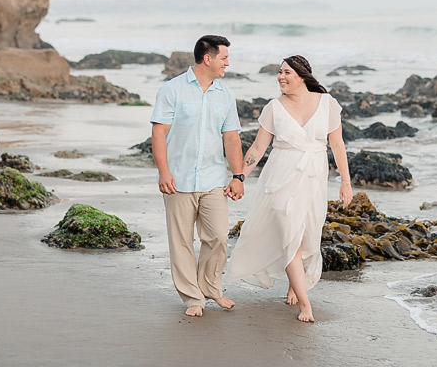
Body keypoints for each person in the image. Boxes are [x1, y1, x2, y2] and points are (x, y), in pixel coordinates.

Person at [227, 55, 352, 323]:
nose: (281, 77)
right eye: (279, 72)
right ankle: (306, 304)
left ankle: (292, 283)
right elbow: (258, 148)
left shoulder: (327, 105)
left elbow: (338, 145)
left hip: (314, 179)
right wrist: (239, 177)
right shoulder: (274, 108)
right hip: (281, 178)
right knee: (291, 239)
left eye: (287, 73)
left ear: (302, 76)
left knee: (308, 236)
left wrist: (345, 181)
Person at [150, 35, 245, 317]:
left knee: (217, 236)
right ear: (208, 58)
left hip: (213, 178)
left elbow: (232, 138)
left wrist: (238, 176)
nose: (228, 63)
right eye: (224, 58)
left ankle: (211, 287)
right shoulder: (173, 90)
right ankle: (193, 297)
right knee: (181, 241)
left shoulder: (225, 95)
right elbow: (159, 133)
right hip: (178, 179)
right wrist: (163, 172)